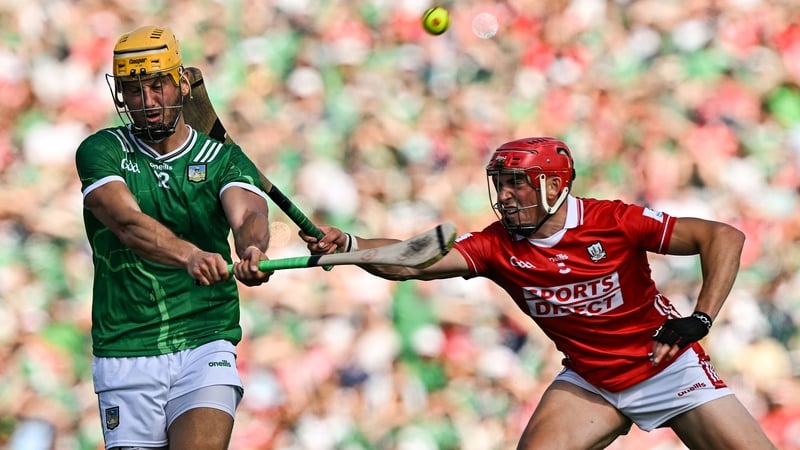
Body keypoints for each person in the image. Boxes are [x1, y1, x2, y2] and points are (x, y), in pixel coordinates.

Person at [301, 137, 777, 449]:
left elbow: (722, 237)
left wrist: (702, 317)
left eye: (516, 186)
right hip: (592, 381)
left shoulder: (611, 221)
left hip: (665, 369)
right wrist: (350, 246)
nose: (505, 197)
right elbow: (412, 260)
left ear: (553, 184)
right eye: (500, 187)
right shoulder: (494, 245)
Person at [75, 25, 273, 449]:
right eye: (134, 89)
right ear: (120, 95)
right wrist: (188, 255)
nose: (147, 101)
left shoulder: (221, 157)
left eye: (158, 85)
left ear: (181, 83)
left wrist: (252, 247)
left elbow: (249, 212)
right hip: (125, 348)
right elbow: (125, 221)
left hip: (205, 339)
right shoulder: (101, 150)